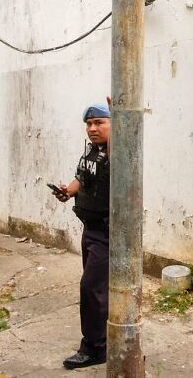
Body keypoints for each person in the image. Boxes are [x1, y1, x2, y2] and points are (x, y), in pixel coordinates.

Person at [54, 102, 111, 369]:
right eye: (89, 124)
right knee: (97, 289)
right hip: (90, 230)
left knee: (91, 288)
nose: (92, 128)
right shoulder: (93, 152)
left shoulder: (115, 151)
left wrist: (121, 113)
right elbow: (82, 177)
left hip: (107, 233)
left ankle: (94, 348)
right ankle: (104, 338)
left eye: (99, 123)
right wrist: (68, 190)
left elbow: (122, 143)